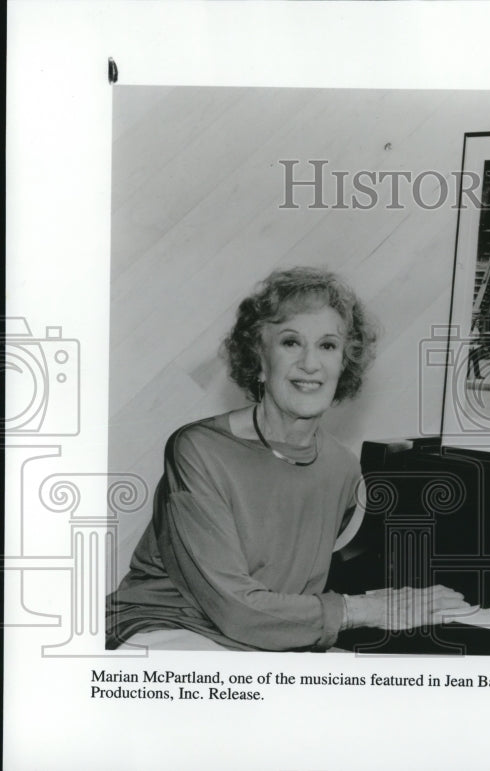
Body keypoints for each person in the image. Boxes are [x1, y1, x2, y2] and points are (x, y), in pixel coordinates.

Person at [106, 267, 468, 651]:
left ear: (344, 364)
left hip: (267, 641)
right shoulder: (198, 449)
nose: (310, 364)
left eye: (328, 346)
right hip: (171, 629)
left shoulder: (343, 468)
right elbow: (234, 609)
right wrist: (367, 610)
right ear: (259, 361)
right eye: (291, 343)